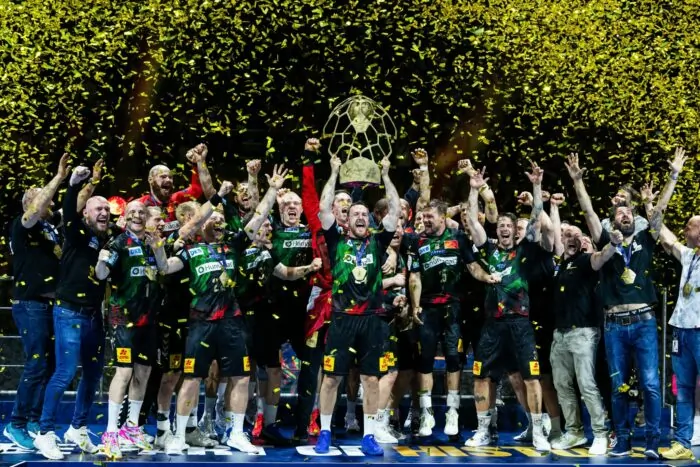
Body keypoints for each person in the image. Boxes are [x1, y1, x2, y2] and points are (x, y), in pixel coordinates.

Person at [566, 148, 685, 459]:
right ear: (613, 220)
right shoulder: (605, 241)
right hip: (614, 325)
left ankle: (652, 441)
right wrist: (578, 181)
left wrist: (673, 176)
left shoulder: (646, 239)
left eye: (629, 212)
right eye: (620, 213)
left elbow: (659, 211)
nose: (626, 214)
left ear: (635, 217)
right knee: (618, 384)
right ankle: (621, 440)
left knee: (650, 384)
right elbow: (588, 211)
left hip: (644, 322)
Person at [160, 164, 287, 455]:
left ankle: (236, 433)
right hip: (200, 322)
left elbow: (258, 217)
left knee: (241, 377)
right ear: (201, 224)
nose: (218, 222)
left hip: (232, 322)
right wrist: (158, 248)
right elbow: (166, 267)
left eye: (221, 219)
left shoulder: (234, 245)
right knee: (192, 378)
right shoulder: (189, 251)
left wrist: (271, 191)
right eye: (213, 219)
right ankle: (179, 434)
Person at [314, 154, 400, 456]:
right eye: (355, 213)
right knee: (331, 378)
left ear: (370, 220)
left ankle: (369, 435)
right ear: (347, 220)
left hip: (373, 320)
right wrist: (333, 172)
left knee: (371, 378)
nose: (361, 217)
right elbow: (323, 208)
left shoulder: (378, 242)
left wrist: (386, 176)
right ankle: (325, 432)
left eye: (365, 213)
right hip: (342, 318)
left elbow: (395, 210)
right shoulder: (336, 241)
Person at [465, 161, 552, 452]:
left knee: (531, 377)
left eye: (508, 225)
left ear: (515, 230)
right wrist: (474, 189)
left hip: (520, 323)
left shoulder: (524, 249)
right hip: (492, 325)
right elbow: (472, 222)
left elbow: (537, 218)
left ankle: (538, 431)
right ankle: (483, 430)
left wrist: (537, 186)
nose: (504, 228)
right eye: (500, 224)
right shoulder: (488, 248)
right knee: (481, 376)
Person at [34, 166, 111, 460]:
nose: (104, 212)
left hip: (94, 316)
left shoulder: (105, 239)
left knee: (92, 374)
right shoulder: (77, 233)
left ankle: (78, 428)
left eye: (107, 209)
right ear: (86, 214)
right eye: (98, 208)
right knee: (65, 372)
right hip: (69, 313)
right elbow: (68, 211)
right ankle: (44, 433)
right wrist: (75, 184)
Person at [407, 199, 499, 438]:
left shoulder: (458, 239)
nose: (426, 220)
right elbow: (414, 276)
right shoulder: (416, 242)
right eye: (424, 216)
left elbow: (472, 266)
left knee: (453, 359)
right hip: (427, 309)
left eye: (430, 217)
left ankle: (452, 411)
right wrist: (415, 306)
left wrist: (486, 277)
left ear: (442, 218)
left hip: (454, 308)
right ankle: (426, 413)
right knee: (425, 360)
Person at [5, 154, 70, 450]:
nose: (50, 201)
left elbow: (75, 207)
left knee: (50, 365)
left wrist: (85, 183)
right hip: (30, 304)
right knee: (36, 364)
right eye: (44, 197)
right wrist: (58, 177)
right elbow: (35, 209)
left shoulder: (48, 228)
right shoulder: (23, 224)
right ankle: (15, 423)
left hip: (51, 306)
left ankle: (33, 420)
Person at [96, 201, 168, 458]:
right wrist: (101, 261)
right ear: (125, 218)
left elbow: (164, 269)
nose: (137, 216)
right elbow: (101, 274)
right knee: (124, 372)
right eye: (132, 212)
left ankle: (131, 426)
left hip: (148, 319)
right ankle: (110, 432)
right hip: (123, 317)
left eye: (142, 212)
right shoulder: (117, 244)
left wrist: (158, 246)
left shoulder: (152, 243)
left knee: (143, 372)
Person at [549, 221, 616, 455]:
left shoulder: (586, 260)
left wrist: (612, 244)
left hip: (584, 332)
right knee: (562, 385)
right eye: (567, 235)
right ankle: (574, 432)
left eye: (576, 235)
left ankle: (600, 433)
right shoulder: (560, 264)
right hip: (560, 333)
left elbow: (601, 257)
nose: (572, 238)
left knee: (587, 384)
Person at [649, 178, 698, 460]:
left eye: (689, 226)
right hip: (682, 331)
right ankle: (683, 444)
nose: (684, 230)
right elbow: (660, 230)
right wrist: (650, 204)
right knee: (684, 391)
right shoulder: (689, 256)